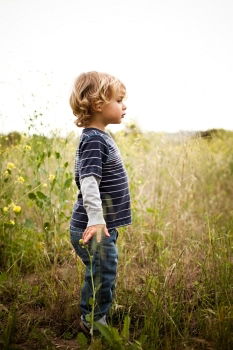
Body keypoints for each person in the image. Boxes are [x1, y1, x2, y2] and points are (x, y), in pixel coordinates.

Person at [69, 71, 132, 334]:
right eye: (118, 100)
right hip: (93, 227)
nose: (124, 105)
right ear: (98, 104)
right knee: (102, 271)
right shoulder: (93, 139)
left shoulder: (101, 136)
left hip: (101, 226)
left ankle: (102, 310)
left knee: (104, 270)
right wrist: (96, 220)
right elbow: (89, 181)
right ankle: (93, 321)